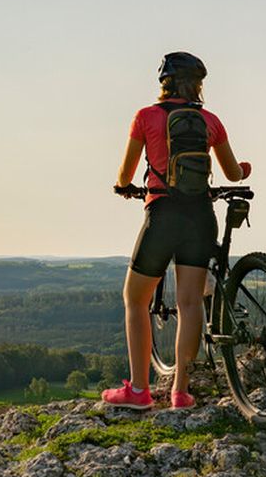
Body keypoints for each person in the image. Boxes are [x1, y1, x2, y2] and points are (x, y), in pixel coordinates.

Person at [104, 51, 251, 410]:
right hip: (201, 216)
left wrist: (124, 185)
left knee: (135, 298)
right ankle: (181, 392)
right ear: (197, 85)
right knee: (190, 302)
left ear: (164, 83)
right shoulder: (211, 121)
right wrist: (244, 170)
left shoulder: (146, 117)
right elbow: (232, 174)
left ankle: (139, 391)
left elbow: (125, 173)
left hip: (163, 214)